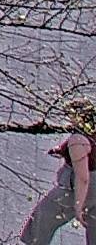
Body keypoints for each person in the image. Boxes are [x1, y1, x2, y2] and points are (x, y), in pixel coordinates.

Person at [24, 100, 96, 244]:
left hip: (79, 188)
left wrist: (78, 206)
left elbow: (83, 179)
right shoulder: (89, 134)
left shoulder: (78, 140)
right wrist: (62, 149)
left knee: (42, 217)